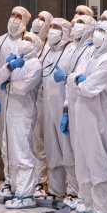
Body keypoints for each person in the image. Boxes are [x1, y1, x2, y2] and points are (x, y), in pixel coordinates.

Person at [67, 19, 107, 213]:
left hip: (101, 119)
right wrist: (78, 80)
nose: (97, 34)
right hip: (84, 116)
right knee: (83, 165)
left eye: (102, 31)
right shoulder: (93, 55)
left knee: (99, 165)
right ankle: (90, 208)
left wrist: (79, 81)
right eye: (97, 29)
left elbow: (88, 87)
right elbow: (74, 79)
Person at [0, 6, 33, 198]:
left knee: (21, 141)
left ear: (25, 21)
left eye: (18, 16)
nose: (13, 19)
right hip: (3, 95)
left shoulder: (29, 42)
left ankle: (25, 184)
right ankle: (8, 180)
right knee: (4, 139)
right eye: (12, 14)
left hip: (23, 97)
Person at [0, 34, 43, 208]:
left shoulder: (35, 64)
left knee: (23, 154)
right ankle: (17, 190)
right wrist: (9, 66)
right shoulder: (15, 62)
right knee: (13, 155)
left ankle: (26, 194)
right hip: (11, 113)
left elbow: (23, 88)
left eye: (30, 40)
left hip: (24, 114)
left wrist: (8, 86)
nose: (25, 42)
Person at [60, 15, 96, 213]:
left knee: (88, 155)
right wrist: (66, 109)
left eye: (81, 24)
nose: (76, 27)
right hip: (74, 106)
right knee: (77, 154)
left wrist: (69, 79)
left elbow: (79, 79)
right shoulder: (76, 49)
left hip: (86, 107)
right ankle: (82, 196)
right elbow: (71, 81)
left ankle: (89, 198)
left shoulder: (90, 51)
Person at [39, 18, 77, 202]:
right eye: (51, 26)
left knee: (68, 152)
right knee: (52, 150)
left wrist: (67, 111)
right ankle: (56, 190)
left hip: (64, 108)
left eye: (56, 28)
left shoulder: (71, 52)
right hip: (48, 107)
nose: (52, 30)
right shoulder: (47, 52)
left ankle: (73, 192)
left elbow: (71, 83)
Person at [29, 10, 54, 194]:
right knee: (35, 141)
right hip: (33, 98)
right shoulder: (29, 44)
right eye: (37, 18)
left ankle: (49, 182)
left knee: (49, 142)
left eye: (43, 19)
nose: (38, 22)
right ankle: (37, 180)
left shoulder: (52, 49)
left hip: (49, 99)